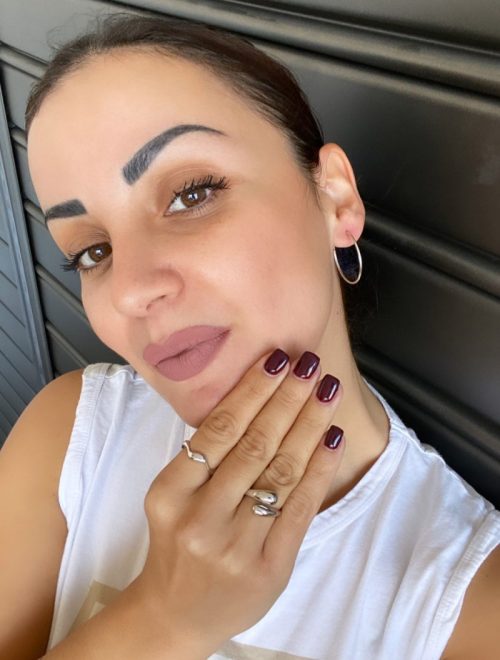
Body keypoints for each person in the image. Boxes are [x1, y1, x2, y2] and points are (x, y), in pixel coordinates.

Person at [1, 12, 499, 659]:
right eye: (93, 251)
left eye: (191, 195)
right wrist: (164, 620)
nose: (129, 290)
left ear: (336, 198)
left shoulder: (464, 600)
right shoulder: (70, 435)